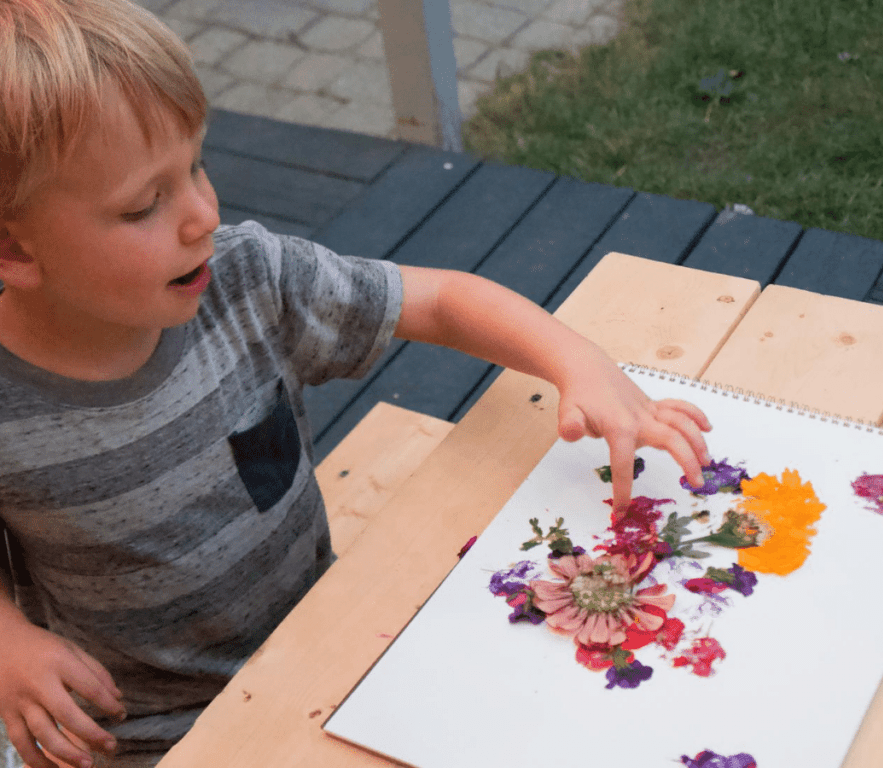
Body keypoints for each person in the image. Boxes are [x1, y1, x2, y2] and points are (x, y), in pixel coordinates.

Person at [0, 1, 712, 766]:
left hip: (325, 642)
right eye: (146, 203)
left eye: (197, 164)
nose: (204, 213)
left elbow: (440, 300)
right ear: (14, 249)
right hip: (145, 736)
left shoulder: (245, 281)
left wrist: (579, 361)